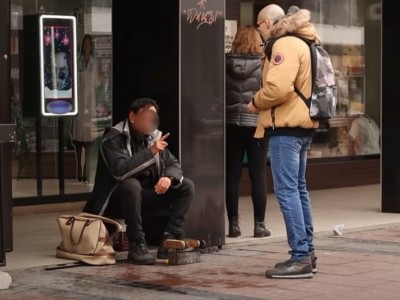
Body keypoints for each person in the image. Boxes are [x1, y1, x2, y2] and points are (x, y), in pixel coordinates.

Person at [248, 4, 319, 279]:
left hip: (287, 127)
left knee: (288, 191)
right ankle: (307, 253)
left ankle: (300, 256)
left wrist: (255, 102)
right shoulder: (304, 40)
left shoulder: (285, 44)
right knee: (298, 189)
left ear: (267, 23)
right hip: (302, 125)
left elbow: (277, 88)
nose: (258, 30)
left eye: (258, 25)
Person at [83, 98, 194, 265]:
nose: (150, 120)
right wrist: (151, 152)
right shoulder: (113, 139)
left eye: (153, 117)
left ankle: (170, 239)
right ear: (133, 117)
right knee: (131, 184)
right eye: (146, 116)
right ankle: (136, 243)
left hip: (144, 198)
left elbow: (173, 164)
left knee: (186, 186)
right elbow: (120, 172)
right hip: (114, 201)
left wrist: (168, 177)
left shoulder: (154, 137)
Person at [225, 25, 270, 238]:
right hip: (257, 125)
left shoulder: (225, 64)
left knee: (232, 175)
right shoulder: (263, 65)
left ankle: (233, 225)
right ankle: (259, 226)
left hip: (231, 124)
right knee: (258, 175)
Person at [71, 34, 101, 183]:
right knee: (78, 138)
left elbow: (96, 83)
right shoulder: (78, 61)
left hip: (90, 103)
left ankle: (86, 170)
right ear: (82, 46)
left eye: (89, 44)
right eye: (85, 44)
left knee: (89, 139)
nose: (87, 47)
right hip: (79, 102)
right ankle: (78, 167)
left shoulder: (94, 63)